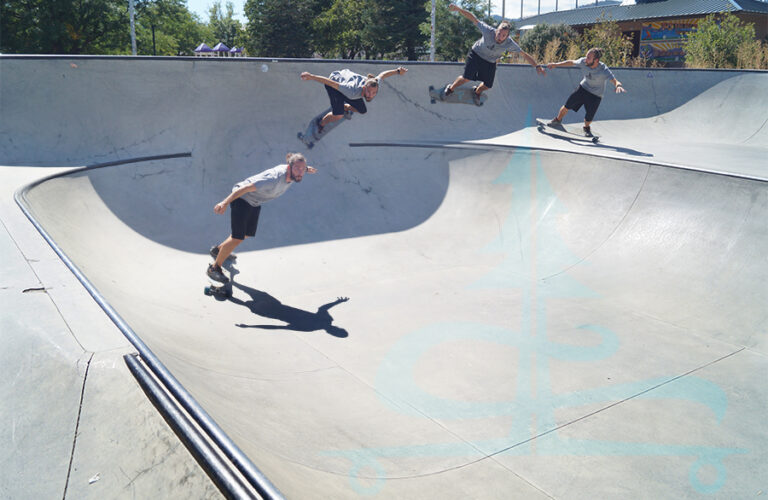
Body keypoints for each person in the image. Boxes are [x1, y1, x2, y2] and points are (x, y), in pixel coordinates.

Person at [207, 153, 317, 283]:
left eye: (303, 169)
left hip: (255, 202)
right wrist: (224, 203)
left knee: (247, 233)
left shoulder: (295, 171)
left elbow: (299, 166)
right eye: (298, 169)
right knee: (237, 237)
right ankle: (214, 268)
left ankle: (218, 250)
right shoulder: (272, 178)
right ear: (289, 167)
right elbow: (245, 188)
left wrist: (306, 168)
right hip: (242, 198)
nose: (300, 173)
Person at [444, 3, 545, 105]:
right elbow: (473, 19)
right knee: (467, 78)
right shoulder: (488, 31)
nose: (499, 37)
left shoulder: (510, 43)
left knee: (488, 85)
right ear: (496, 30)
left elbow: (524, 54)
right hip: (476, 54)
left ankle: (476, 91)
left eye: (503, 35)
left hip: (490, 61)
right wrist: (458, 9)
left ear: (507, 36)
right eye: (499, 33)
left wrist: (537, 66)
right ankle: (451, 88)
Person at [545, 47, 626, 137]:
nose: (585, 60)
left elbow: (614, 80)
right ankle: (558, 120)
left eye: (588, 58)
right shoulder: (583, 61)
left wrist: (618, 85)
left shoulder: (604, 69)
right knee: (567, 106)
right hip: (583, 88)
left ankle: (586, 127)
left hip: (596, 95)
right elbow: (571, 62)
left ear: (596, 60)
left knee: (589, 117)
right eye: (586, 56)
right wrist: (556, 64)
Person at [300, 66, 408, 132]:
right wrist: (311, 76)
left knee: (362, 110)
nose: (370, 95)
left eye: (374, 93)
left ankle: (345, 107)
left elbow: (383, 74)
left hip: (347, 83)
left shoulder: (374, 82)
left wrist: (398, 71)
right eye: (369, 92)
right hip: (335, 85)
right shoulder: (351, 91)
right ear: (364, 88)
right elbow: (331, 83)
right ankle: (321, 123)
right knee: (338, 115)